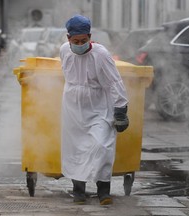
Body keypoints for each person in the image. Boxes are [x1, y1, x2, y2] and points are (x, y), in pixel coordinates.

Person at [59, 14, 129, 205]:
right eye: (76, 41)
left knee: (101, 146)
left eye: (84, 40)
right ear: (68, 38)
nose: (80, 44)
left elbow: (115, 81)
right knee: (75, 149)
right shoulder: (64, 50)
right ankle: (78, 191)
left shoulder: (101, 54)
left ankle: (103, 191)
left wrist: (121, 109)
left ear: (90, 36)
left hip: (99, 106)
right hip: (73, 107)